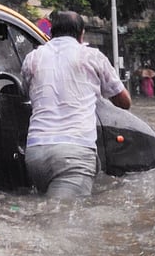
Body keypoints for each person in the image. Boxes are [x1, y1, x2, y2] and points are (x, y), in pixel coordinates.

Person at [21, 11, 131, 199]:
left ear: (52, 33)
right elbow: (124, 102)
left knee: (47, 214)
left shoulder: (32, 58)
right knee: (63, 220)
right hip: (74, 155)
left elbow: (26, 92)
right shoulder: (91, 57)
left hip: (35, 153)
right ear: (82, 34)